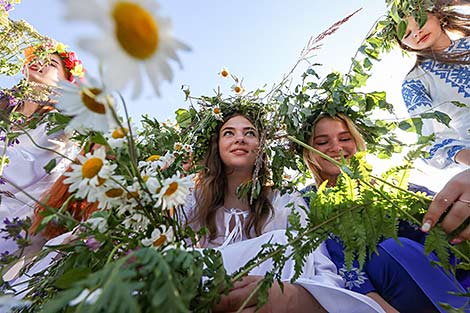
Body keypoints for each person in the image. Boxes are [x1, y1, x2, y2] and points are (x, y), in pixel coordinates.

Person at [180, 107, 384, 312]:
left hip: (273, 298)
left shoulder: (285, 198)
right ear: (217, 146)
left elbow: (321, 265)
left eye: (250, 133)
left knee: (285, 242)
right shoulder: (191, 198)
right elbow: (167, 251)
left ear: (261, 147)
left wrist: (294, 297)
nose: (240, 138)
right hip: (201, 294)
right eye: (229, 133)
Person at [302, 113, 469, 312]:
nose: (337, 147)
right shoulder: (307, 202)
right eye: (322, 142)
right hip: (373, 299)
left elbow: (442, 218)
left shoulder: (391, 186)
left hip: (446, 278)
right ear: (308, 152)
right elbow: (334, 260)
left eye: (345, 138)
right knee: (391, 250)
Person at [0, 42, 84, 255]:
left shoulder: (62, 118)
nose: (40, 62)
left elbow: (30, 168)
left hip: (20, 211)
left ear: (66, 80)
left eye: (52, 63)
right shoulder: (6, 105)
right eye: (37, 57)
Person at [398, 4, 470, 169]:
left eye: (419, 21)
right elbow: (430, 139)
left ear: (438, 16)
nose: (416, 33)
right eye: (407, 34)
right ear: (405, 46)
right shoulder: (414, 83)